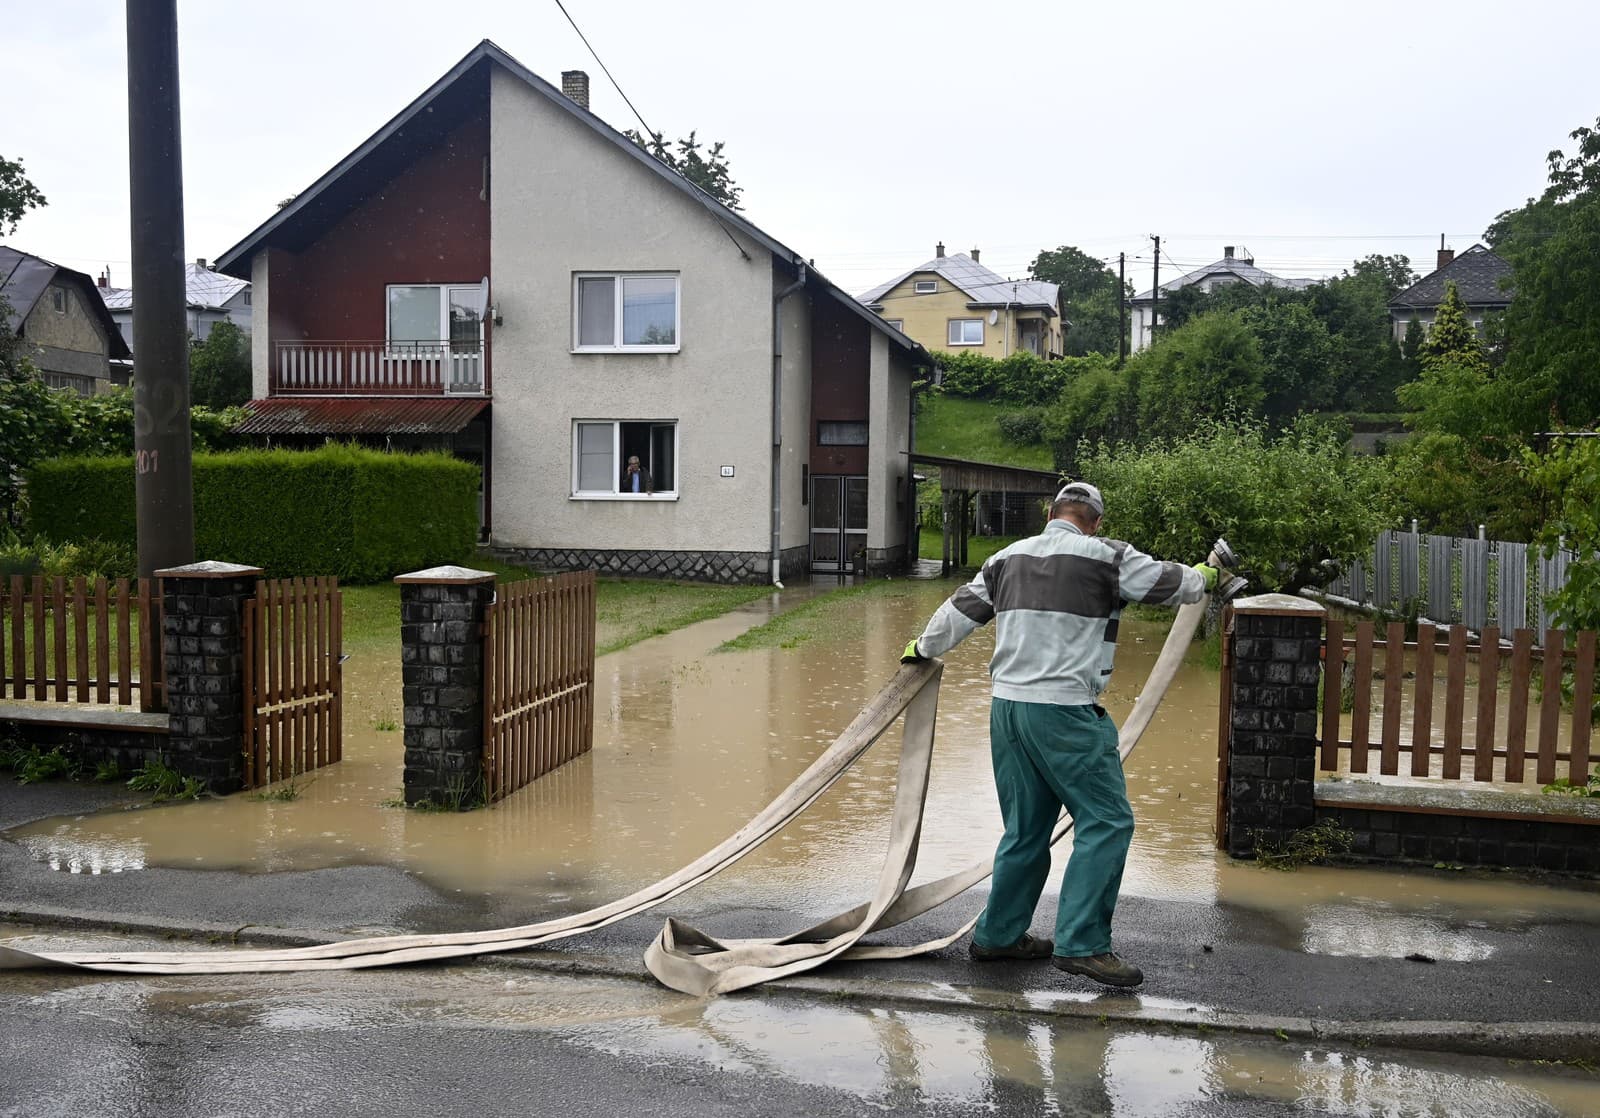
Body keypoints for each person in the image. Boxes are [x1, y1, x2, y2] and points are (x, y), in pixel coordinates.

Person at [900, 481, 1218, 988]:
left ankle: (999, 937)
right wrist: (1206, 574)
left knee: (1025, 829)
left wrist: (920, 647)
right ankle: (1084, 944)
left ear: (1051, 514)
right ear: (1094, 521)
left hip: (1007, 710)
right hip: (1065, 711)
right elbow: (1172, 584)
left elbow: (958, 614)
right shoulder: (1107, 556)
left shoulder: (1006, 557)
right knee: (1108, 821)